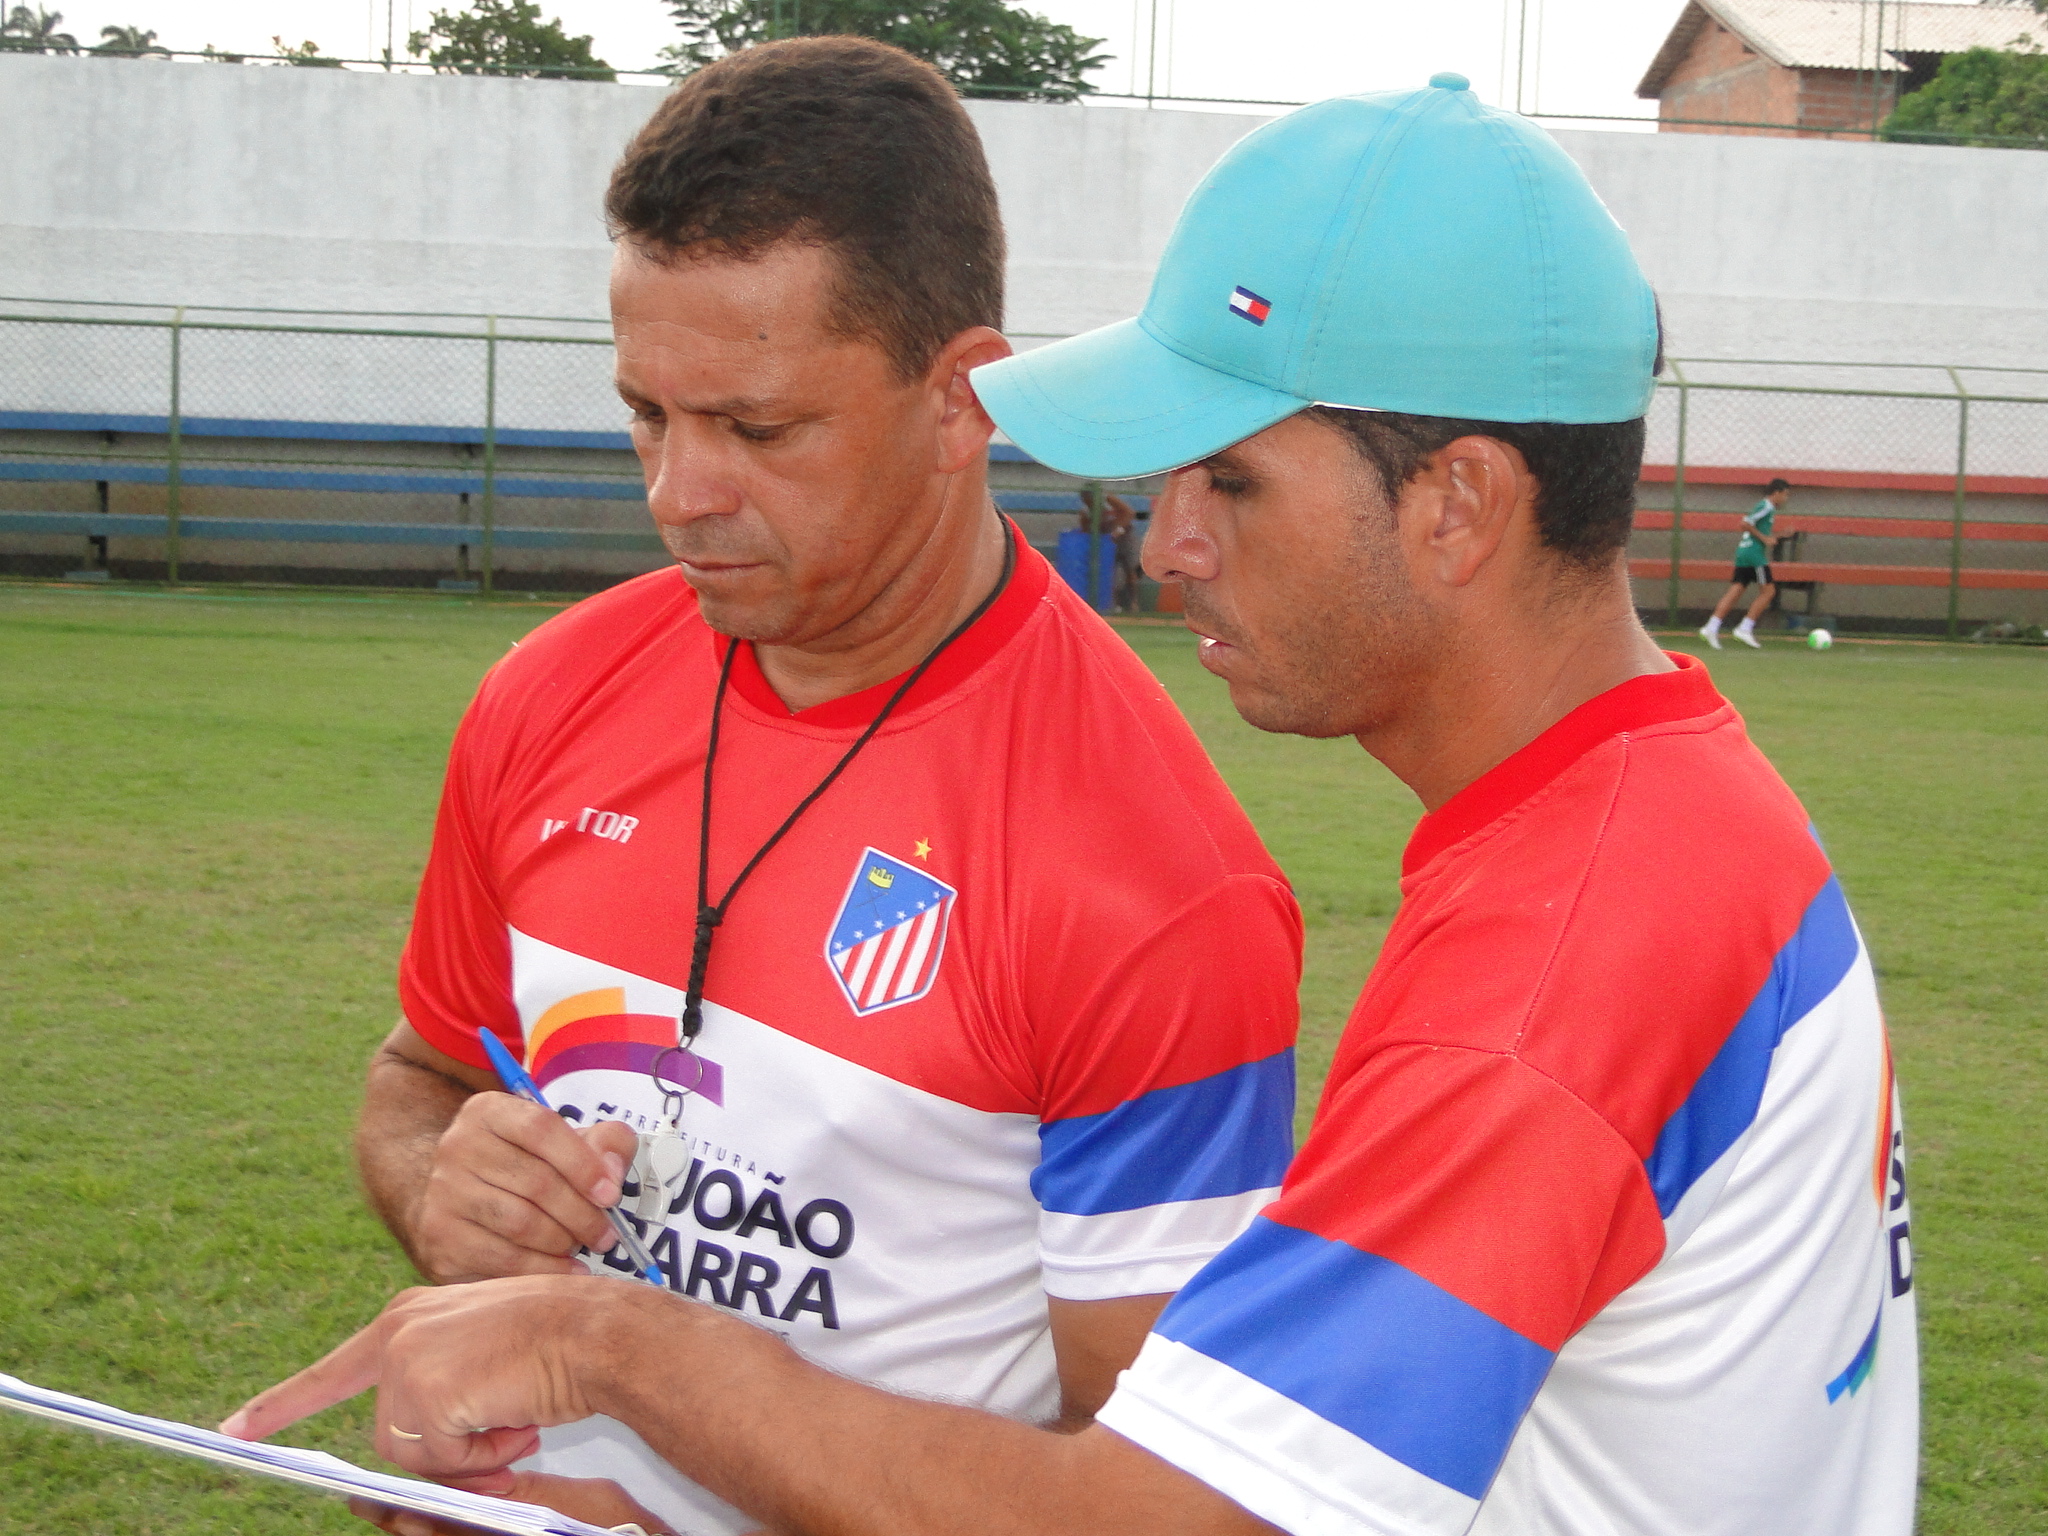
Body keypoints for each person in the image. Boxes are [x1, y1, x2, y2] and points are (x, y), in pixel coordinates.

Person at [229, 74, 1918, 1536]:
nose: (1166, 539)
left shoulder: (1557, 963)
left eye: (1230, 479)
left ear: (1455, 506)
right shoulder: (1661, 826)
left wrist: (614, 1347)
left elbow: (1160, 1515)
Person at [337, 37, 1302, 1536]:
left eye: (758, 428)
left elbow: (1155, 1500)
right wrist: (437, 1185)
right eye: (647, 416)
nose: (680, 495)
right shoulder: (548, 696)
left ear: (962, 400)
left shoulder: (1155, 878)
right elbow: (418, 1081)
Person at [1701, 478, 1792, 649]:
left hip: (1744, 553)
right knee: (1768, 591)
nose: (1786, 499)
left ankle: (1711, 627)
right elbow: (1745, 524)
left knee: (1736, 590)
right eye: (1785, 494)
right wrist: (1765, 538)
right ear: (1777, 493)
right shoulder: (1766, 506)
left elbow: (1760, 534)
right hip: (1754, 555)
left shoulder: (1767, 509)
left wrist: (1778, 535)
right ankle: (1745, 628)